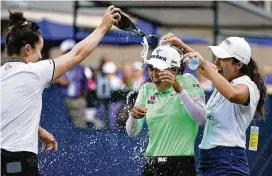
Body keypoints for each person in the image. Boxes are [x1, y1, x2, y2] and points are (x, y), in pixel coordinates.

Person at [1, 6, 120, 175]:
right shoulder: (34, 72)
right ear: (27, 49)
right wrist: (103, 27)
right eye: (39, 50)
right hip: (19, 158)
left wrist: (37, 130)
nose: (41, 56)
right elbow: (77, 54)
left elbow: (9, 114)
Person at [162, 33, 267, 175]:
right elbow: (203, 66)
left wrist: (204, 63)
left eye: (222, 59)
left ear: (238, 65)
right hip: (209, 159)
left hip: (228, 160)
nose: (217, 62)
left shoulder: (247, 85)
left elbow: (233, 94)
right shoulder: (224, 78)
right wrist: (181, 45)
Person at [126, 45, 207, 176]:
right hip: (152, 165)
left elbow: (202, 119)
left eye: (159, 69)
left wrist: (178, 88)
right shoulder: (146, 89)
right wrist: (133, 117)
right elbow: (132, 132)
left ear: (174, 70)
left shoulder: (187, 81)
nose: (154, 74)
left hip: (181, 165)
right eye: (151, 68)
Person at [57, 39, 90, 128]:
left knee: (80, 125)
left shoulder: (81, 69)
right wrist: (58, 80)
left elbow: (85, 85)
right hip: (62, 100)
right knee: (62, 126)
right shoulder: (58, 68)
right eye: (66, 52)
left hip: (77, 100)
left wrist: (82, 100)